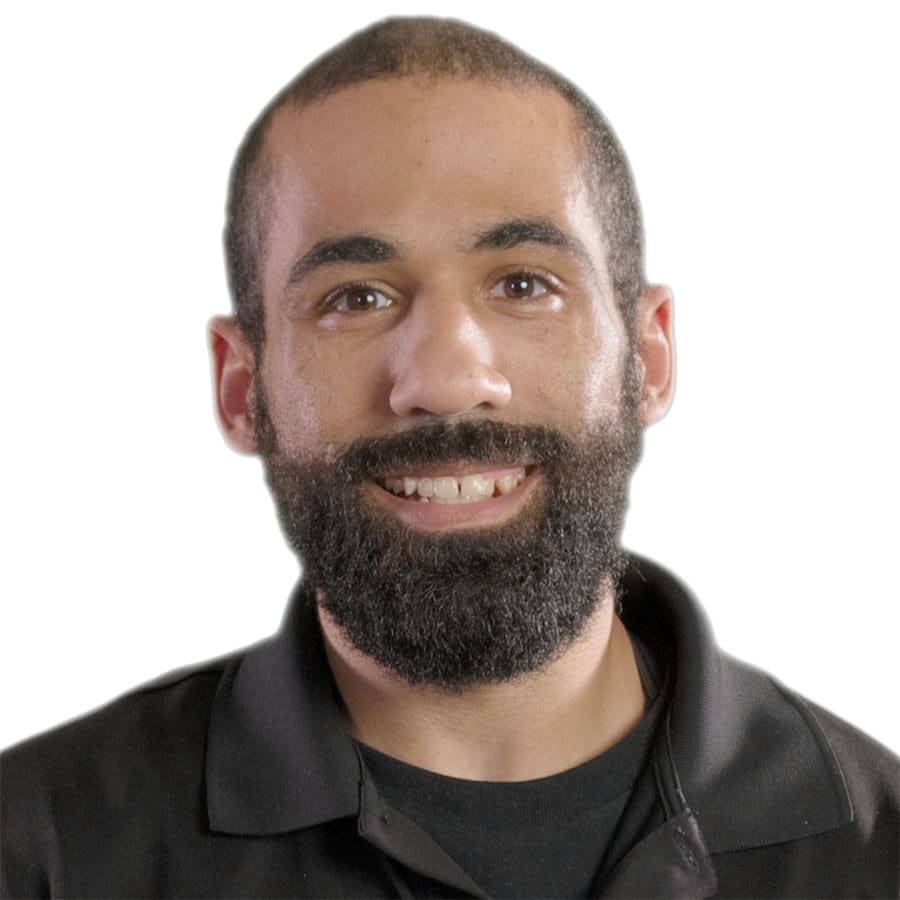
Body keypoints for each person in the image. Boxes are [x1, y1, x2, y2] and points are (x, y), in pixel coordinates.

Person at [1, 16, 897, 899]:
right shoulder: (40, 850)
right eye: (355, 297)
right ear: (242, 388)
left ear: (649, 357)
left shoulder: (881, 849)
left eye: (523, 283)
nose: (444, 378)